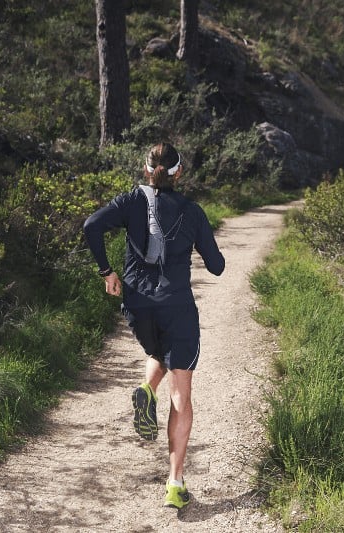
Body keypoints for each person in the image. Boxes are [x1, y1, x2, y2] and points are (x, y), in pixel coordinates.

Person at [83, 142, 225, 509]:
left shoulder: (131, 201)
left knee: (159, 351)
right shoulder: (191, 211)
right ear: (179, 173)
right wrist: (203, 241)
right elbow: (217, 266)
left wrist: (107, 271)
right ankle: (175, 483)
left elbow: (91, 227)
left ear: (147, 169)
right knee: (182, 392)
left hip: (138, 303)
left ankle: (147, 388)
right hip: (176, 305)